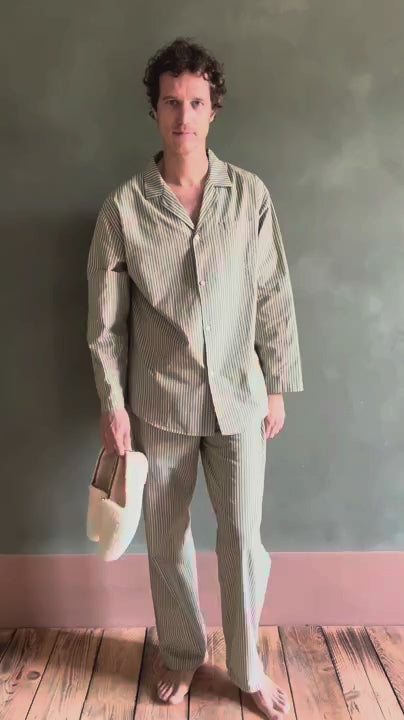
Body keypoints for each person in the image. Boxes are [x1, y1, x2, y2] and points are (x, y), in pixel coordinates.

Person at [87, 37, 303, 719]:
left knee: (243, 539)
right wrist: (113, 404)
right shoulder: (123, 209)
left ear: (214, 110)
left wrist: (276, 384)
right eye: (172, 102)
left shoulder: (250, 197)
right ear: (155, 110)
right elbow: (105, 323)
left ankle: (246, 668)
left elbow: (273, 291)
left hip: (241, 398)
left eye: (196, 102)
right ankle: (182, 653)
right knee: (166, 540)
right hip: (160, 402)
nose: (184, 115)